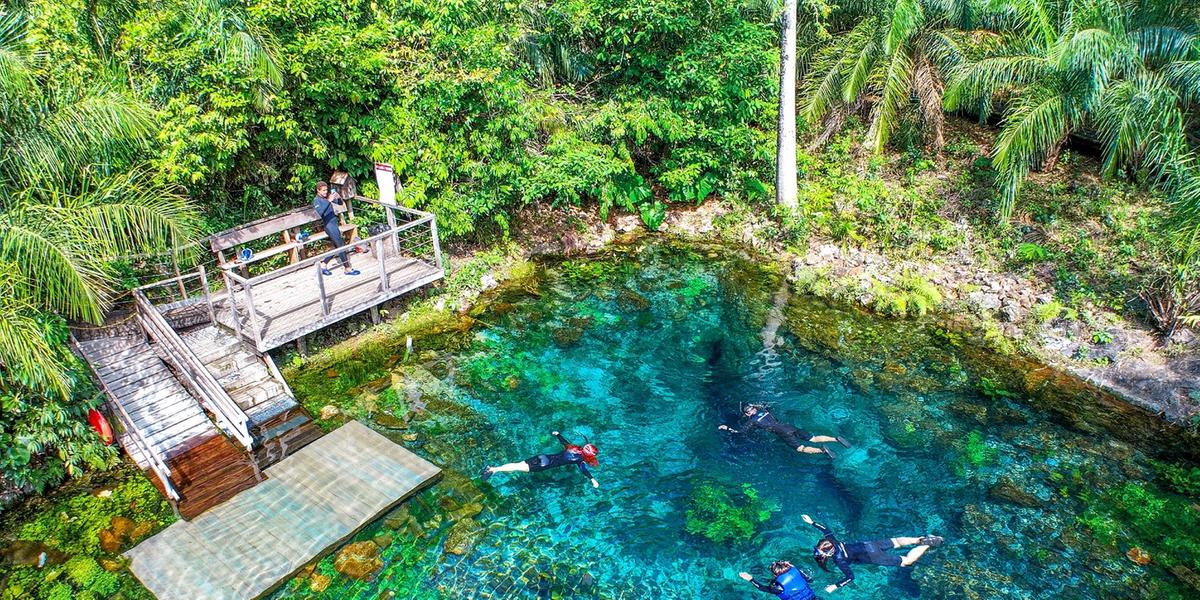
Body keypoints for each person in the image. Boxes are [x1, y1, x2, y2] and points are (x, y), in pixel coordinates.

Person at [802, 514, 943, 593]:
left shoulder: (839, 560)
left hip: (873, 557)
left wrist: (835, 586)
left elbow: (850, 577)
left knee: (907, 561)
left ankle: (926, 544)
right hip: (869, 544)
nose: (817, 552)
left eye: (819, 552)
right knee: (897, 542)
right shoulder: (832, 540)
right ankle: (921, 539)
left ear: (828, 553)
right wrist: (811, 522)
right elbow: (825, 529)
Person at [718, 404, 849, 458]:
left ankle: (822, 450)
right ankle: (835, 439)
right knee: (813, 438)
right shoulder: (764, 411)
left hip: (782, 433)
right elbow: (765, 408)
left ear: (747, 414)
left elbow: (741, 432)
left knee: (801, 448)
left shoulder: (751, 421)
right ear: (754, 409)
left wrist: (727, 428)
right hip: (788, 426)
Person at [480, 431, 600, 488]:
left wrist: (557, 434)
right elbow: (583, 470)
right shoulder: (579, 460)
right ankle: (492, 469)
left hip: (543, 456)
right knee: (516, 468)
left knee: (517, 464)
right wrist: (593, 479)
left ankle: (493, 469)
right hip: (544, 465)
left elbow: (564, 442)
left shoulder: (573, 448)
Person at [312, 181, 359, 276]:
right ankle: (347, 268)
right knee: (341, 245)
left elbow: (340, 203)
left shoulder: (327, 197)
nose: (326, 192)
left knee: (336, 246)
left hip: (334, 224)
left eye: (326, 190)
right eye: (323, 190)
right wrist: (328, 201)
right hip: (329, 226)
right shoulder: (317, 200)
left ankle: (323, 265)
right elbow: (320, 213)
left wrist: (338, 197)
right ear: (318, 190)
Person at [738, 560, 817, 600]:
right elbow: (810, 580)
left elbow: (762, 588)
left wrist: (751, 579)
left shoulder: (777, 587)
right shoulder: (797, 572)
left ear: (775, 574)